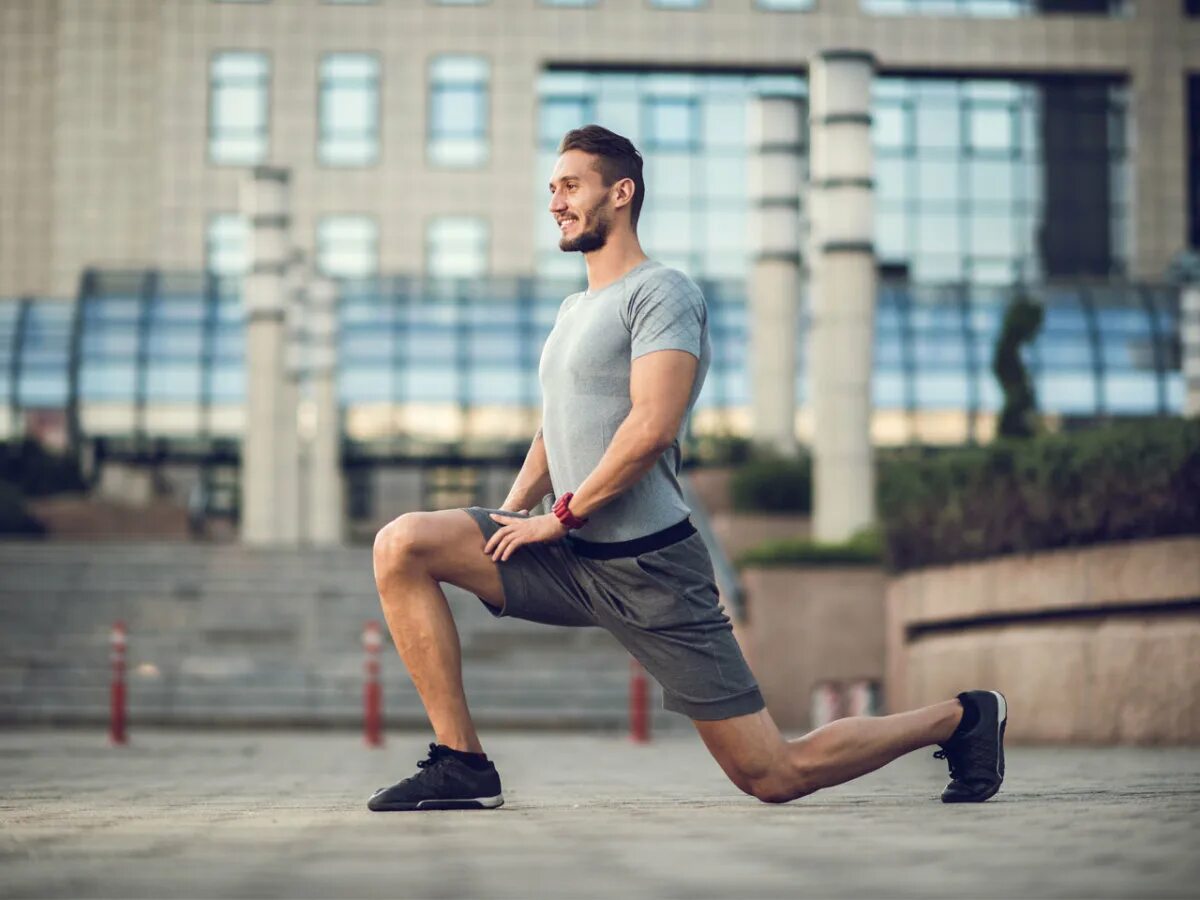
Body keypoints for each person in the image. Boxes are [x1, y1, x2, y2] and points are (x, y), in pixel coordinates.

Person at [367, 125, 1007, 812]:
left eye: (571, 186)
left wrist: (557, 517)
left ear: (622, 192)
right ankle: (462, 763)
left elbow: (651, 427)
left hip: (651, 571)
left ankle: (964, 718)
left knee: (772, 774)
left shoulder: (662, 291)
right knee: (403, 543)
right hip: (567, 552)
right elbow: (560, 422)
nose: (555, 201)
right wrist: (518, 505)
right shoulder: (573, 309)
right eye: (551, 188)